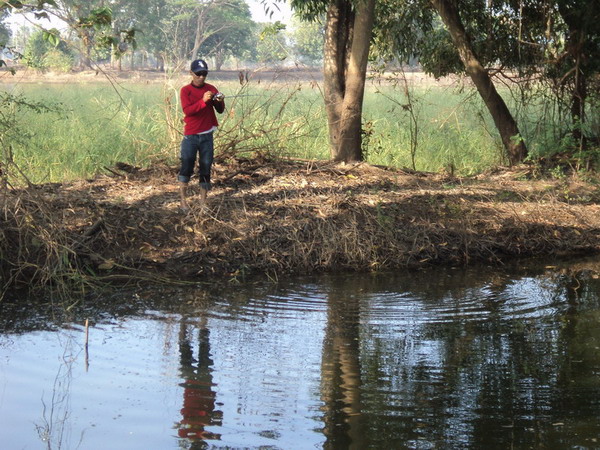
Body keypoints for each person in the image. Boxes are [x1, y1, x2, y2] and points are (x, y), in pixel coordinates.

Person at [178, 59, 225, 210]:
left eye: (204, 73)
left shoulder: (211, 88)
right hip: (191, 135)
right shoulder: (186, 91)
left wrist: (219, 100)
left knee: (206, 167)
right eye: (198, 73)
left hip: (207, 136)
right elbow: (188, 111)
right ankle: (183, 201)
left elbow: (220, 110)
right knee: (187, 165)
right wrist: (203, 100)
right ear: (191, 73)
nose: (201, 77)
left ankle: (203, 202)